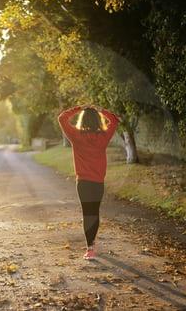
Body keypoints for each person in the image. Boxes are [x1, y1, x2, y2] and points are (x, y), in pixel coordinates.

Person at [57, 105, 120, 260]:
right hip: (98, 182)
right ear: (98, 120)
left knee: (87, 214)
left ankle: (90, 248)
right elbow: (115, 120)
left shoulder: (76, 135)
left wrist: (78, 108)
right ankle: (92, 244)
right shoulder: (103, 137)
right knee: (95, 212)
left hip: (83, 183)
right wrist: (101, 110)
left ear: (82, 119)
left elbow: (62, 118)